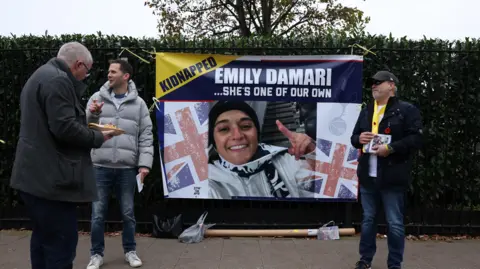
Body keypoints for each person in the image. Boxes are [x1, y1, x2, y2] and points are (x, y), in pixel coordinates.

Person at [10, 42, 118, 269]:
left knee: (42, 240)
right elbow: (64, 128)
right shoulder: (59, 81)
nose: (85, 76)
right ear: (78, 64)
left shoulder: (40, 75)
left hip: (35, 178)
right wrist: (98, 137)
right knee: (61, 245)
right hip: (52, 182)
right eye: (86, 71)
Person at [350, 71, 423, 269]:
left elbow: (415, 139)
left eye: (377, 82)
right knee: (367, 221)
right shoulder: (367, 110)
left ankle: (395, 264)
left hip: (392, 177)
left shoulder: (406, 110)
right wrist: (359, 139)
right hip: (368, 177)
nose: (373, 86)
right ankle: (365, 260)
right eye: (372, 83)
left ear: (391, 85)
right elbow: (354, 137)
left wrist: (390, 148)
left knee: (395, 224)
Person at [85, 59, 153, 269]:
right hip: (100, 166)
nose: (109, 75)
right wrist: (93, 113)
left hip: (126, 168)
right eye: (108, 71)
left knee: (128, 214)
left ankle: (130, 251)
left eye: (113, 72)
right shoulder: (96, 98)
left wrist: (144, 165)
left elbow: (146, 135)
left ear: (126, 76)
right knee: (97, 215)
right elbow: (83, 126)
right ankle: (96, 254)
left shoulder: (139, 104)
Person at [207, 100, 318, 199]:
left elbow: (325, 192)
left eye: (245, 126)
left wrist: (315, 157)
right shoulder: (205, 183)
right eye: (224, 129)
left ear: (257, 133)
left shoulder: (287, 161)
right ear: (213, 141)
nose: (237, 136)